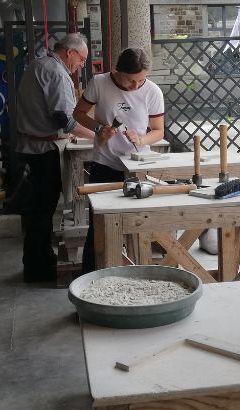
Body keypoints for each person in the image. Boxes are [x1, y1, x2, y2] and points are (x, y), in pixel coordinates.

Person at [73, 47, 165, 273]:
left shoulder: (152, 91)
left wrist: (142, 139)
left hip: (137, 166)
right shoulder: (99, 83)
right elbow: (78, 113)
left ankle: (137, 273)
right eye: (130, 80)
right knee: (99, 223)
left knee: (138, 222)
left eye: (141, 80)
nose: (135, 86)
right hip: (105, 162)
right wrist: (98, 129)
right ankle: (90, 276)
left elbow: (158, 131)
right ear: (117, 71)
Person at [16, 33, 95, 282]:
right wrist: (97, 136)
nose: (81, 65)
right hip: (44, 151)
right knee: (43, 210)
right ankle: (37, 269)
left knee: (40, 209)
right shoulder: (57, 73)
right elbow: (65, 119)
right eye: (81, 59)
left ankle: (40, 261)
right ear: (69, 52)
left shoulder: (40, 64)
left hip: (35, 146)